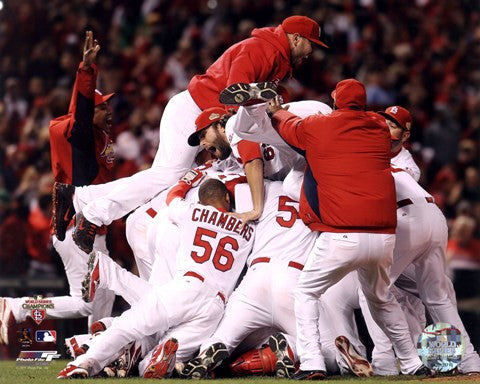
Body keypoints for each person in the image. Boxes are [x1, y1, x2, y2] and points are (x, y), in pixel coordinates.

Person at [54, 15, 328, 254]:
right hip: (194, 110)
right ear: (295, 38)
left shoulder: (276, 57)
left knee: (168, 178)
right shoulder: (261, 48)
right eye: (311, 45)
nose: (312, 52)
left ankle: (80, 197)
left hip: (209, 118)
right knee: (167, 175)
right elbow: (234, 94)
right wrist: (245, 136)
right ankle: (92, 214)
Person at [266, 78, 427, 379]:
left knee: (305, 292)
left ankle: (312, 361)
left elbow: (289, 128)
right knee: (382, 298)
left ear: (337, 100)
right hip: (382, 238)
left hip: (341, 235)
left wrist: (277, 110)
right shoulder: (379, 128)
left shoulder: (319, 125)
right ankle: (412, 362)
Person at [57, 177, 255, 379]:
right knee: (176, 352)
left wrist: (187, 180)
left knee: (129, 326)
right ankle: (151, 360)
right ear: (227, 198)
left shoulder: (192, 211)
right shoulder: (248, 227)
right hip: (216, 305)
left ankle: (84, 363)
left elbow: (173, 196)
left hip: (187, 286)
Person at [0, 32, 116, 343]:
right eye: (102, 108)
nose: (108, 112)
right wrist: (86, 71)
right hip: (75, 229)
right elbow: (79, 117)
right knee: (85, 302)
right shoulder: (75, 135)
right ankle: (19, 306)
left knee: (103, 296)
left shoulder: (97, 137)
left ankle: (94, 351)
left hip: (95, 229)